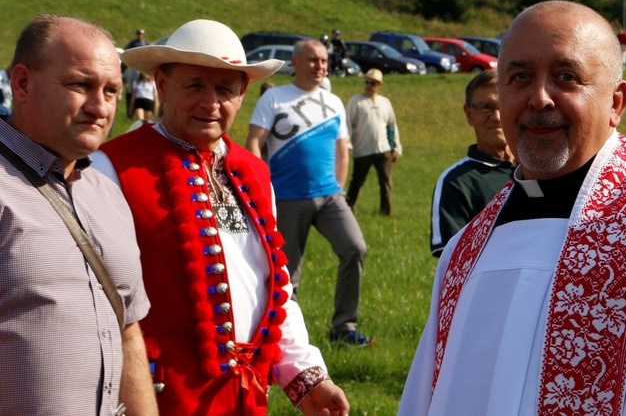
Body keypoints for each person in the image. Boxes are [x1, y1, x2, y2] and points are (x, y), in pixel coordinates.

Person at [399, 0, 626, 415]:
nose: (539, 98)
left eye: (566, 77)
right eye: (520, 77)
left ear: (616, 103)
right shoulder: (466, 250)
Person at [93, 20, 350, 415]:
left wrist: (308, 377)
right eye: (194, 85)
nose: (210, 102)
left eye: (225, 89)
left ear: (242, 94)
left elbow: (271, 286)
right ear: (162, 86)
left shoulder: (255, 171)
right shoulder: (111, 166)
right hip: (158, 395)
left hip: (243, 397)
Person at [0, 14, 156, 414]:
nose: (100, 107)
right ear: (22, 83)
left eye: (112, 90)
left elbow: (127, 332)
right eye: (80, 85)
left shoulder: (107, 194)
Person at [246, 39, 373, 347]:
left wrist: (339, 189)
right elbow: (252, 143)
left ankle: (343, 327)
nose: (320, 66)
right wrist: (263, 189)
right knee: (288, 273)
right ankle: (287, 339)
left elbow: (342, 149)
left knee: (355, 248)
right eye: (314, 60)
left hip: (330, 197)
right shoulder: (274, 98)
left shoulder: (333, 102)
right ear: (296, 62)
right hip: (288, 197)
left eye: (324, 61)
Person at [429, 69, 514, 257]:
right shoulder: (457, 182)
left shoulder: (538, 171)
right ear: (469, 114)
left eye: (503, 106)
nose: (496, 117)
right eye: (486, 108)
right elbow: (453, 257)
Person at [345, 68, 402, 216]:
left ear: (379, 85)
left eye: (372, 83)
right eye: (367, 82)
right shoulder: (355, 101)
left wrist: (396, 147)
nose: (369, 85)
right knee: (356, 182)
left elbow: (392, 125)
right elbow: (347, 124)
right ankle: (348, 210)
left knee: (386, 183)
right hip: (362, 150)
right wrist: (347, 144)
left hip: (383, 150)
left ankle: (386, 212)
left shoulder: (385, 102)